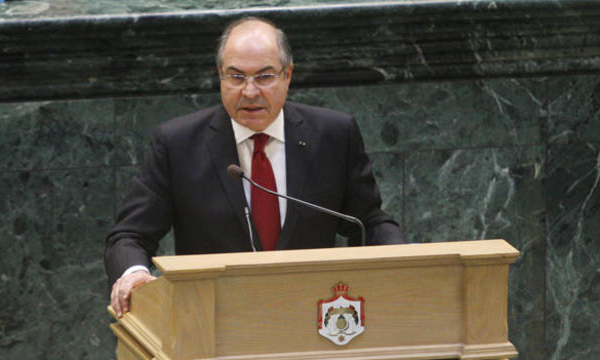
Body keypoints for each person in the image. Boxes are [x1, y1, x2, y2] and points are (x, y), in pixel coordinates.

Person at [105, 16, 405, 317]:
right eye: (236, 77)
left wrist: (403, 261)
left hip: (314, 316)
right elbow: (130, 236)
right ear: (220, 76)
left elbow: (369, 223)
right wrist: (133, 273)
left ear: (287, 75)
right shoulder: (177, 144)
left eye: (264, 77)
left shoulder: (333, 136)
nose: (249, 92)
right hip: (211, 319)